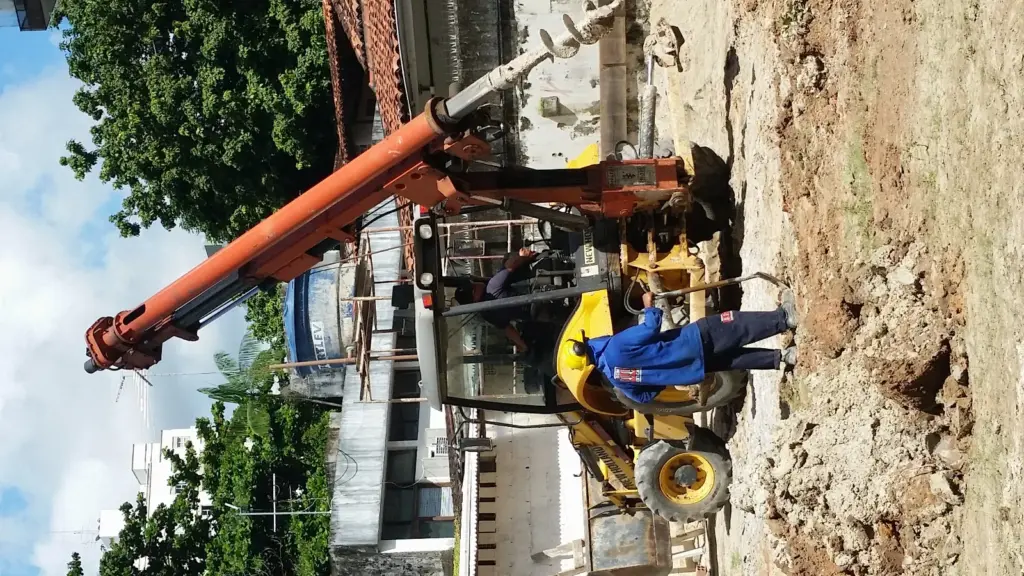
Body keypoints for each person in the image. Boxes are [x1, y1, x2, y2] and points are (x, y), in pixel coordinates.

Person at [566, 290, 799, 404]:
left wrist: (663, 376)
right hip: (692, 340)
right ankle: (784, 319)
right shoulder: (614, 347)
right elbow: (650, 328)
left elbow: (643, 397)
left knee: (734, 359)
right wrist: (648, 305)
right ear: (585, 345)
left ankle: (784, 357)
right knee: (736, 324)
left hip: (690, 369)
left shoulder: (617, 378)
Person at [453, 247, 538, 352]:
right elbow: (510, 266)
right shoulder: (492, 287)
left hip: (537, 314)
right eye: (473, 286)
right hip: (540, 294)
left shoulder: (486, 314)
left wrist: (522, 345)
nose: (475, 283)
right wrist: (523, 256)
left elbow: (507, 329)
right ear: (474, 295)